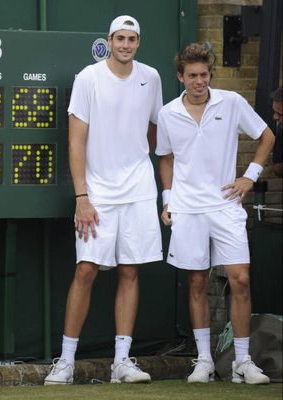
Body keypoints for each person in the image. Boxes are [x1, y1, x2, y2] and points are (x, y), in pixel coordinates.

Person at [44, 15, 163, 385]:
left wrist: (137, 160)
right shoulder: (88, 78)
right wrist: (82, 196)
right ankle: (65, 361)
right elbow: (76, 141)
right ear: (109, 41)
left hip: (139, 189)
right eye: (120, 38)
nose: (126, 45)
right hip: (97, 193)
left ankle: (122, 362)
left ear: (138, 43)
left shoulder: (152, 78)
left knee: (130, 270)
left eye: (132, 39)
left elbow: (154, 131)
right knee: (87, 270)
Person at [156, 43, 275, 384]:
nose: (199, 82)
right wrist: (168, 199)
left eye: (204, 75)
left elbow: (266, 135)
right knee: (196, 282)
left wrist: (249, 177)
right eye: (192, 76)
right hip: (188, 208)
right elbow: (165, 157)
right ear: (181, 76)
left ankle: (242, 360)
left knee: (240, 278)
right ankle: (204, 361)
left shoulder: (232, 102)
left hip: (226, 206)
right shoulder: (167, 114)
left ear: (210, 75)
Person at [271, 87, 282, 177]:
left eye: (280, 114)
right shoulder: (281, 128)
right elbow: (276, 168)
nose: (275, 117)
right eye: (275, 112)